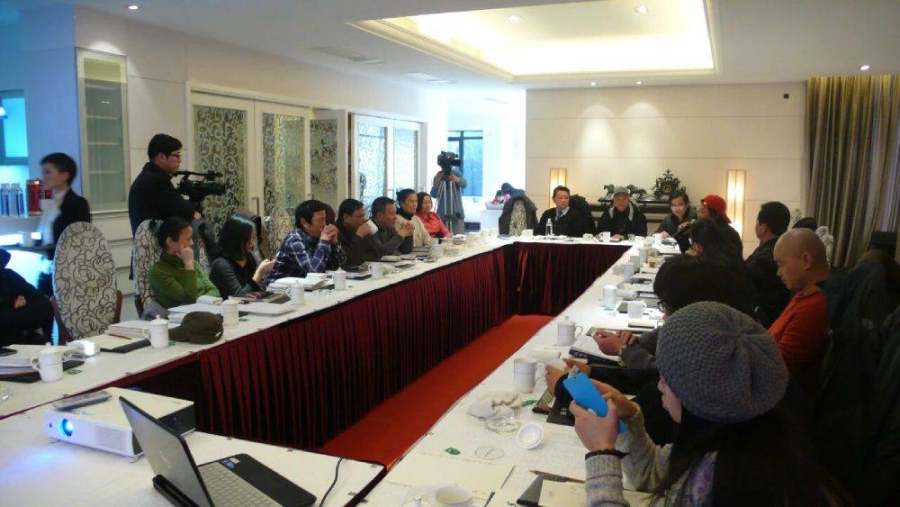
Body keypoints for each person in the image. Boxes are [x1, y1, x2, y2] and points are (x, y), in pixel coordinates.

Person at [571, 302, 845, 506]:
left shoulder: (718, 485)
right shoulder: (738, 437)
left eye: (667, 379)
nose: (659, 386)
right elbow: (653, 473)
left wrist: (602, 455)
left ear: (700, 395)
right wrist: (631, 418)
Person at [770, 228, 831, 396]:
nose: (778, 273)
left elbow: (778, 367)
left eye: (780, 264)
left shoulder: (814, 307)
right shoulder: (804, 294)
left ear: (806, 261)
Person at [128, 134, 197, 235]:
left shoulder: (149, 176)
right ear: (161, 157)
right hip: (154, 242)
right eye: (176, 155)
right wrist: (195, 210)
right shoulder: (157, 180)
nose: (180, 160)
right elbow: (184, 211)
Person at [149, 217, 219, 309]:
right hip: (181, 317)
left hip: (206, 311)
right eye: (188, 239)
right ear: (170, 242)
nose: (192, 243)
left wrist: (200, 300)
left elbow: (215, 291)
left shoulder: (193, 263)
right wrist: (188, 265)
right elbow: (190, 300)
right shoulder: (159, 272)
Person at [266, 200, 340, 283]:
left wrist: (334, 243)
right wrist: (324, 242)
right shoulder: (294, 240)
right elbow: (313, 273)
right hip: (278, 288)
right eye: (320, 220)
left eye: (324, 219)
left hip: (303, 286)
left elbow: (337, 267)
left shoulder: (318, 236)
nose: (324, 224)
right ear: (304, 223)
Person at [746, 201, 793, 325]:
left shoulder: (764, 258)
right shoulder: (785, 248)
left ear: (763, 227)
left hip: (764, 321)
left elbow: (742, 281)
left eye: (757, 222)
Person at [209, 214, 275, 298]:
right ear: (236, 240)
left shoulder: (248, 257)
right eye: (249, 239)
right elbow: (238, 297)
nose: (253, 243)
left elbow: (260, 289)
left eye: (254, 238)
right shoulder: (221, 264)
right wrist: (259, 273)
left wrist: (265, 273)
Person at [37, 153, 91, 255]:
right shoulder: (49, 203)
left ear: (64, 176)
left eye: (48, 172)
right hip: (48, 259)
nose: (43, 177)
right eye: (43, 173)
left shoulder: (78, 203)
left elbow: (81, 239)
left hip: (68, 260)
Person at [0, 248, 53, 347]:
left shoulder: (7, 276)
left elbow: (45, 307)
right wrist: (16, 311)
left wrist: (11, 313)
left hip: (25, 344)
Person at [336, 198, 380, 268]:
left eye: (363, 216)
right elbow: (349, 261)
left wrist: (370, 236)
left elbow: (376, 255)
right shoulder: (335, 232)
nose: (363, 219)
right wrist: (358, 236)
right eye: (359, 216)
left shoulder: (358, 228)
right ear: (346, 217)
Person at [430, 161, 466, 234]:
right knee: (444, 237)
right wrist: (436, 183)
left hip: (456, 212)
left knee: (458, 237)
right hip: (442, 214)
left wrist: (456, 179)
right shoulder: (438, 176)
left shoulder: (456, 173)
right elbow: (433, 194)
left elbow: (465, 184)